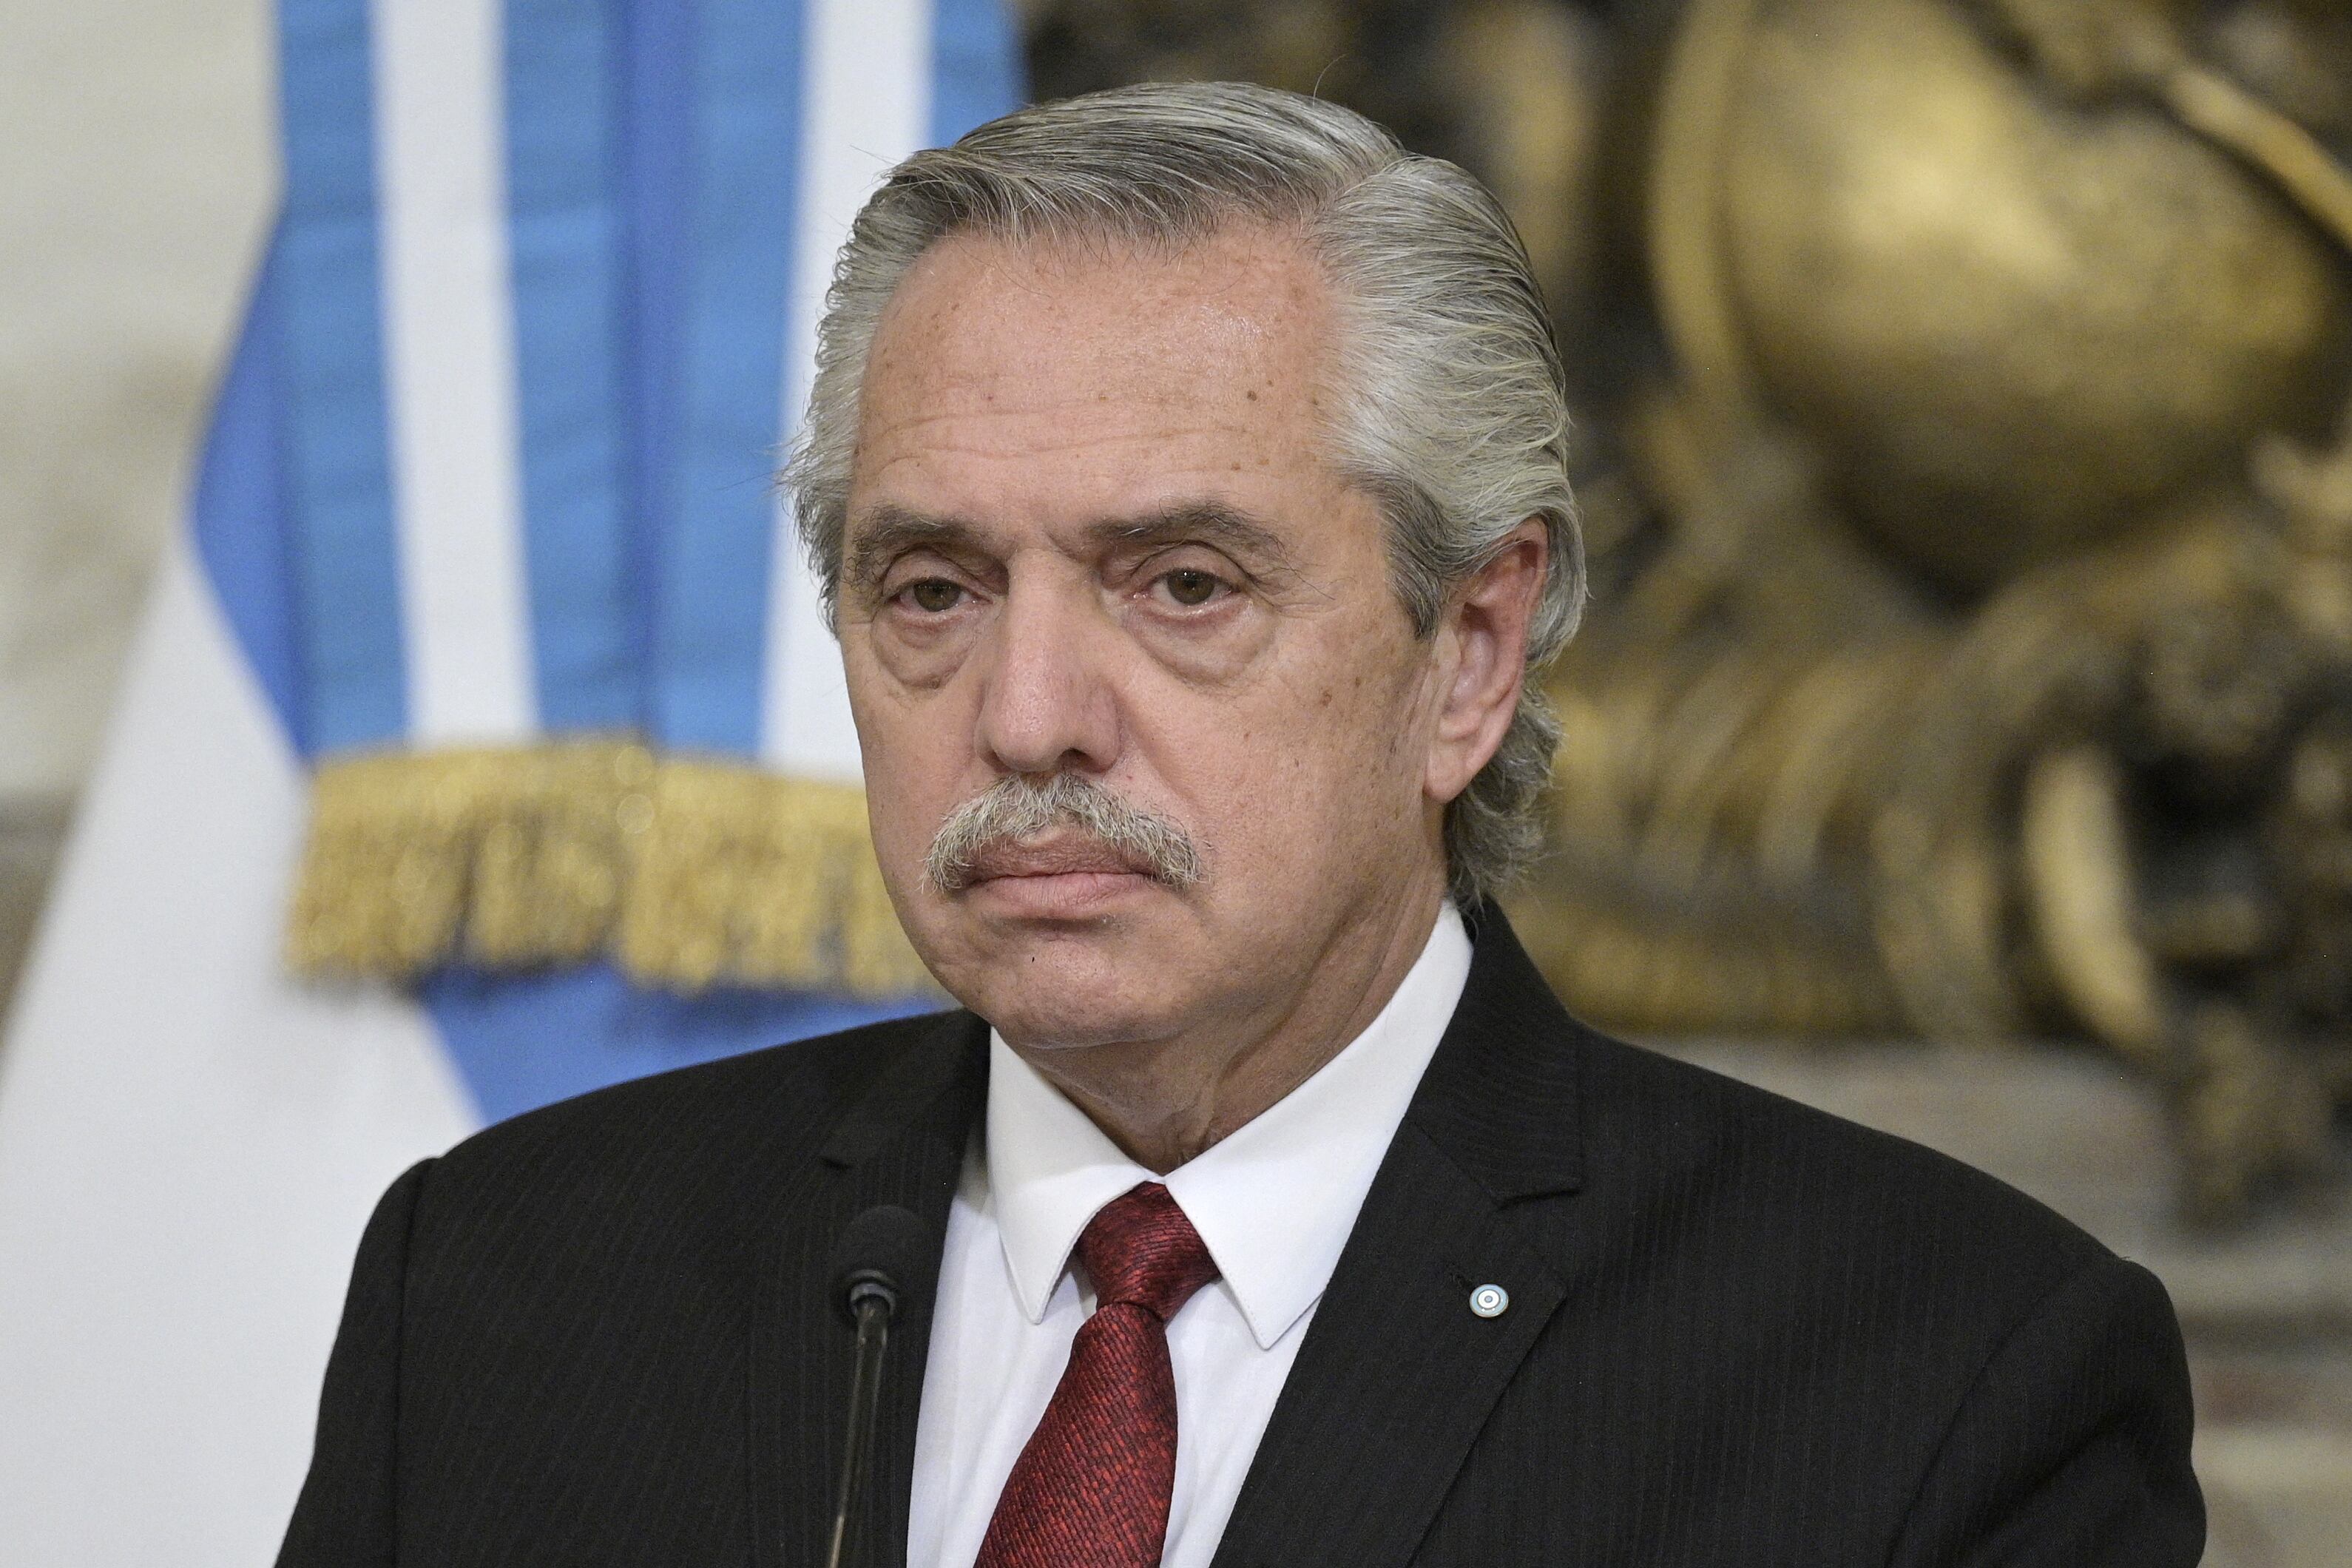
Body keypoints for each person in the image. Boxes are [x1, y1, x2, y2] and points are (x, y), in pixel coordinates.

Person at [277, 82, 2203, 1567]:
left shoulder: (1934, 1376)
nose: (1026, 716)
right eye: (931, 590)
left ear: (1465, 649)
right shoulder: (513, 1287)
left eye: (1180, 583)